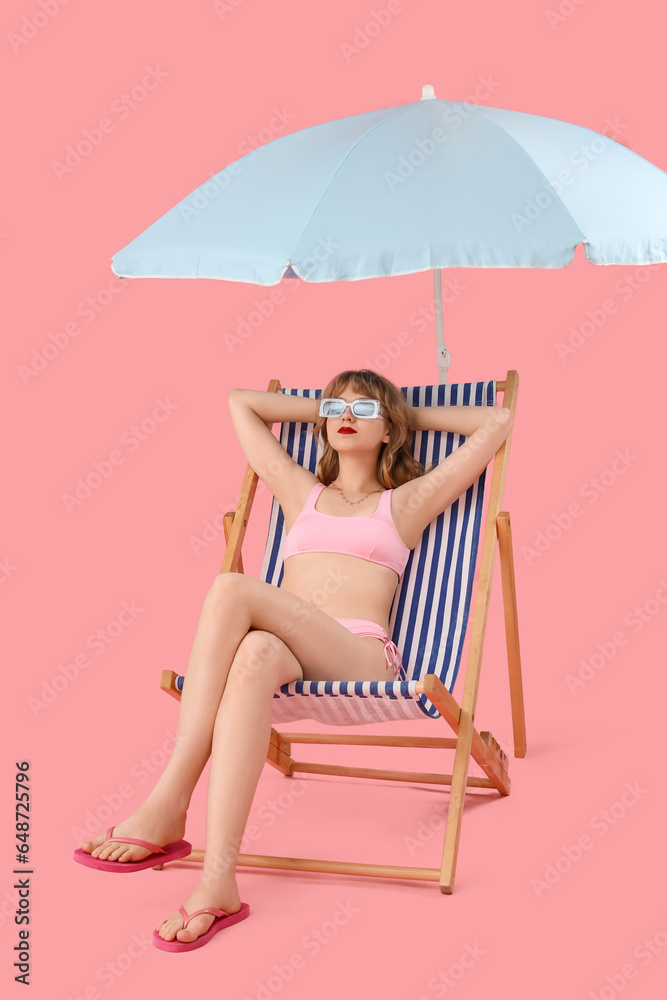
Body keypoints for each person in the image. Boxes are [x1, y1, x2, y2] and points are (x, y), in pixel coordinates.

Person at [74, 368, 513, 951]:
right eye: (335, 408)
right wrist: (333, 409)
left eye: (363, 410)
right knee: (254, 650)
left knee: (231, 590)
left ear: (390, 430)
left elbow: (497, 421)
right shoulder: (297, 491)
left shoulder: (404, 503)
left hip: (360, 658)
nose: (345, 416)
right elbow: (239, 403)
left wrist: (399, 410)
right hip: (288, 657)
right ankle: (217, 884)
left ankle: (168, 801)